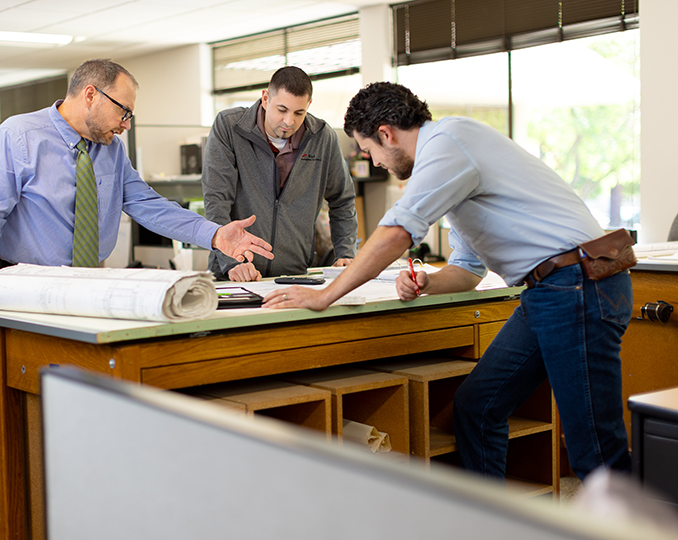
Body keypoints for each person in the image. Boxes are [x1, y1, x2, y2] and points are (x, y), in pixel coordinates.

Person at [264, 82, 633, 481]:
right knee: (478, 407)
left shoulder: (450, 141)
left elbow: (396, 232)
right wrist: (426, 282)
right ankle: (488, 523)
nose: (374, 162)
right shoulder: (450, 165)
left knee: (595, 452)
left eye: (369, 150)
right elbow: (469, 271)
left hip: (577, 286)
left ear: (386, 133)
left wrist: (325, 296)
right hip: (551, 292)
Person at [0, 59, 273, 327]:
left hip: (87, 287)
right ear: (91, 95)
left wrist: (215, 235)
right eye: (124, 112)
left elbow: (147, 205)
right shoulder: (19, 136)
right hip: (23, 288)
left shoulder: (111, 151)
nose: (126, 124)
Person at [201, 66, 357, 282]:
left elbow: (343, 199)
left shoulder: (322, 137)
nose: (288, 122)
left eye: (298, 113)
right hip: (234, 274)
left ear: (309, 106)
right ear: (265, 99)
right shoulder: (229, 127)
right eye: (281, 110)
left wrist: (345, 254)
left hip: (294, 274)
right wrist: (233, 263)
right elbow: (216, 200)